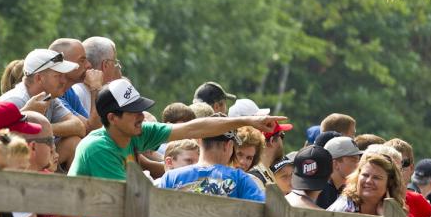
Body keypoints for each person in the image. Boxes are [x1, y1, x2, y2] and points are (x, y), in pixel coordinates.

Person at [68, 79, 286, 183]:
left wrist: (249, 121)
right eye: (133, 112)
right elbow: (128, 199)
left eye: (141, 110)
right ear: (112, 118)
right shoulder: (98, 148)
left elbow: (194, 127)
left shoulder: (135, 133)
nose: (142, 116)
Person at [0, 48, 87, 164]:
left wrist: (42, 128)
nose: (64, 81)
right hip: (9, 166)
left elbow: (79, 127)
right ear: (39, 78)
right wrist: (26, 117)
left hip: (28, 161)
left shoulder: (49, 96)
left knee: (73, 142)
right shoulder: (15, 100)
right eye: (58, 76)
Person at [50, 37, 104, 131]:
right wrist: (96, 88)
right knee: (73, 141)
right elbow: (91, 130)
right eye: (82, 60)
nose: (89, 65)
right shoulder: (52, 94)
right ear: (63, 64)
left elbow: (91, 127)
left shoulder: (69, 91)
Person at [315, 135, 362, 208]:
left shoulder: (353, 190)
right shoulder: (318, 193)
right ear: (335, 164)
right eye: (354, 160)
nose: (359, 165)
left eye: (359, 160)